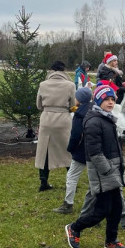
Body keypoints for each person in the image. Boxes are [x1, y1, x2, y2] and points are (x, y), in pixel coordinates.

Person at [65, 84, 125, 248]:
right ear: (98, 100)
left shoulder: (107, 118)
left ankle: (111, 240)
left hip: (113, 168)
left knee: (116, 207)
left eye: (112, 99)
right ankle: (74, 227)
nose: (110, 102)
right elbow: (94, 151)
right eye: (106, 99)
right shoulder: (94, 121)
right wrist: (108, 170)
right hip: (104, 172)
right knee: (101, 210)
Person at [34, 60, 76, 191]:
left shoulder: (43, 84)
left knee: (44, 151)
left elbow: (38, 105)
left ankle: (43, 181)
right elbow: (73, 105)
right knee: (68, 150)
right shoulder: (70, 85)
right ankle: (71, 182)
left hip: (46, 119)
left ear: (51, 70)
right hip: (63, 120)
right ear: (64, 71)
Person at [53, 87, 92, 214]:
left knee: (72, 176)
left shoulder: (79, 115)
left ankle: (68, 204)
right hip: (94, 151)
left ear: (79, 100)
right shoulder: (94, 111)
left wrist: (70, 148)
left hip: (81, 152)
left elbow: (76, 135)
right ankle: (96, 205)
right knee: (95, 179)